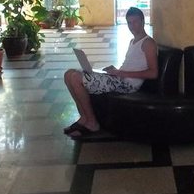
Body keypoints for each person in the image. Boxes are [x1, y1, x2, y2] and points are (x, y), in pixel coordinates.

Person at [62, 7, 158, 139]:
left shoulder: (148, 43)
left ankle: (92, 122)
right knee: (68, 74)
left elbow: (153, 73)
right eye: (129, 23)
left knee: (75, 77)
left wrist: (121, 73)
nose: (132, 26)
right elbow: (132, 65)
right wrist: (116, 70)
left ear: (143, 21)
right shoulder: (133, 41)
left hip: (127, 85)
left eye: (135, 22)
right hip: (119, 78)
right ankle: (84, 117)